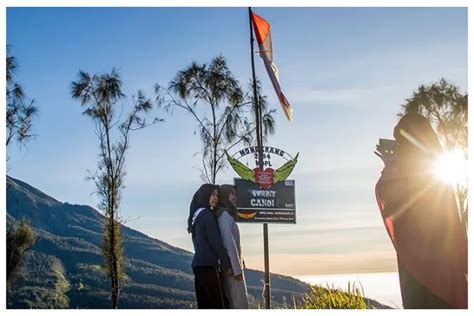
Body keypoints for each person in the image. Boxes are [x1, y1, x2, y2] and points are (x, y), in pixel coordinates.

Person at [375, 112, 467, 309]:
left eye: (403, 140)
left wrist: (391, 171)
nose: (400, 146)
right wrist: (390, 169)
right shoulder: (433, 171)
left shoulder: (429, 174)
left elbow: (402, 207)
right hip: (424, 267)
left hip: (429, 269)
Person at [188, 184, 232, 309]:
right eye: (212, 194)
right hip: (209, 266)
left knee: (204, 305)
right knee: (220, 305)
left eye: (217, 195)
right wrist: (227, 264)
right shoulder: (207, 215)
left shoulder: (195, 216)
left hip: (198, 266)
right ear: (205, 195)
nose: (216, 198)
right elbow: (216, 242)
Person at [215, 184, 249, 309]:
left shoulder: (228, 215)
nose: (235, 197)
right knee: (237, 302)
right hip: (232, 271)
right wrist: (236, 269)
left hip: (234, 267)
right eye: (232, 194)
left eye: (235, 194)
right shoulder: (224, 216)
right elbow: (228, 243)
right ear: (225, 195)